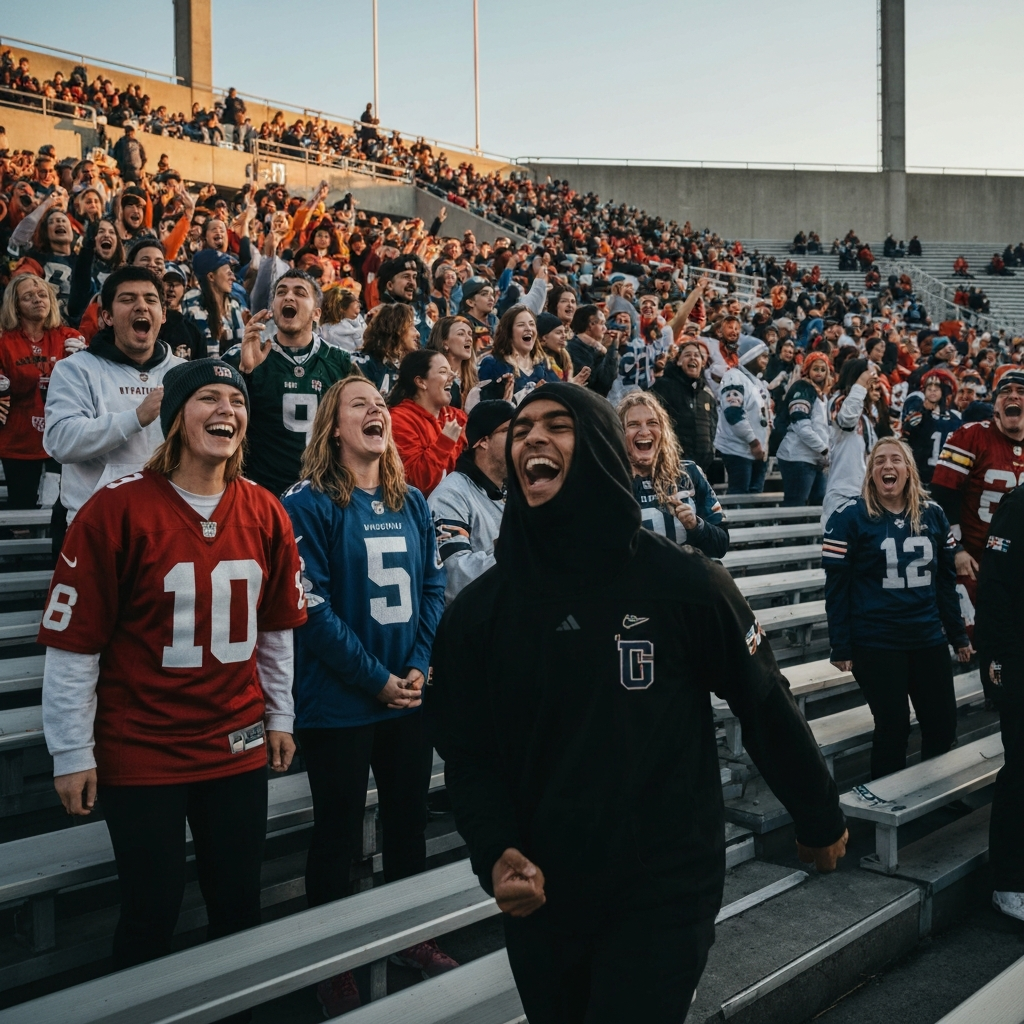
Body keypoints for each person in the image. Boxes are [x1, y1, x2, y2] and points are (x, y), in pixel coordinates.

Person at [430, 383, 847, 1024]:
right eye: (523, 428)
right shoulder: (479, 616)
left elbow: (764, 701)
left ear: (598, 448)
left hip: (664, 883)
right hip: (544, 892)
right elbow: (469, 752)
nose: (532, 436)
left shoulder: (685, 583)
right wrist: (494, 850)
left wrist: (818, 815)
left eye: (558, 425)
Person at [39, 358, 306, 969]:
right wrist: (72, 751)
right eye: (208, 398)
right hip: (144, 745)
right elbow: (75, 643)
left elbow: (274, 632)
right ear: (175, 416)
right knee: (150, 908)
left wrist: (281, 714)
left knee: (239, 902)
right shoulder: (115, 510)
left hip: (234, 739)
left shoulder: (265, 510)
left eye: (236, 401)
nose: (227, 411)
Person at [281, 376, 455, 1017]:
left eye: (380, 404)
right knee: (337, 833)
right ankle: (332, 959)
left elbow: (433, 587)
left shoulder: (411, 500)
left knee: (409, 822)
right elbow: (313, 606)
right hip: (341, 700)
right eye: (360, 403)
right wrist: (374, 678)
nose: (376, 410)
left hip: (407, 695)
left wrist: (415, 666)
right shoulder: (307, 503)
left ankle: (411, 936)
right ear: (332, 424)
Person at [823, 437, 971, 779]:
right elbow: (837, 589)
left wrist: (958, 635)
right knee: (892, 726)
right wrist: (841, 644)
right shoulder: (849, 517)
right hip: (876, 639)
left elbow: (945, 584)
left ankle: (933, 789)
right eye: (879, 461)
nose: (887, 466)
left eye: (896, 460)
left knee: (943, 722)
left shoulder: (933, 514)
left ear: (909, 470)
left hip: (926, 635)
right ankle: (884, 802)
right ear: (870, 472)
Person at [43, 266, 185, 533]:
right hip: (96, 528)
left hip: (166, 527)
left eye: (150, 300)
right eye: (127, 299)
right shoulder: (75, 368)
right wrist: (134, 419)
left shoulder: (182, 372)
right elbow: (60, 441)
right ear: (107, 316)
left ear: (163, 315)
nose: (141, 306)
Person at [223, 268, 352, 497]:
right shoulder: (242, 355)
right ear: (273, 308)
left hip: (324, 493)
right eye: (281, 292)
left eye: (300, 293)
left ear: (316, 313)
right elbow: (215, 414)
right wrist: (244, 372)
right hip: (261, 493)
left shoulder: (340, 362)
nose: (289, 297)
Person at [930, 370, 1024, 631]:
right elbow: (940, 498)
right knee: (972, 642)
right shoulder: (970, 435)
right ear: (994, 404)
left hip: (1015, 563)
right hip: (974, 561)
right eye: (1005, 391)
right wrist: (956, 548)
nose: (1013, 396)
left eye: (1021, 391)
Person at [973, 483, 1024, 922]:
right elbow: (993, 590)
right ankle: (1008, 883)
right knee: (1021, 773)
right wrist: (1000, 661)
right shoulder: (1019, 504)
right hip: (1020, 660)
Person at [0, 272, 85, 509]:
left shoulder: (69, 337)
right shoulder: (4, 342)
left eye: (42, 294)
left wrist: (85, 359)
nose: (38, 300)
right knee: (22, 510)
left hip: (61, 440)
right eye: (28, 297)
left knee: (60, 508)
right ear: (15, 306)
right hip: (19, 443)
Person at [618, 391, 728, 558]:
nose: (644, 431)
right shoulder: (611, 481)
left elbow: (721, 546)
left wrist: (695, 525)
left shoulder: (689, 473)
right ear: (619, 433)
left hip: (687, 580)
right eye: (633, 424)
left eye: (652, 422)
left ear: (663, 431)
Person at [428, 401, 513, 605]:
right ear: (483, 441)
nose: (524, 440)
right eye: (511, 431)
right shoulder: (450, 496)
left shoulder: (518, 490)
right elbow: (454, 575)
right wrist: (523, 554)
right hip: (469, 627)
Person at [387, 349, 467, 497]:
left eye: (451, 371)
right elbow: (417, 484)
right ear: (421, 382)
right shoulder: (399, 420)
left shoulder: (458, 417)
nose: (452, 376)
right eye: (443, 372)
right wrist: (445, 442)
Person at [822, 358, 879, 528]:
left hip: (864, 492)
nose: (872, 381)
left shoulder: (867, 412)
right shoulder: (839, 401)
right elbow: (846, 420)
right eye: (868, 375)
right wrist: (860, 385)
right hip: (843, 491)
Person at [649, 337, 718, 474]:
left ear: (702, 363)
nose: (693, 358)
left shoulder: (707, 394)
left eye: (697, 355)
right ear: (679, 362)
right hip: (672, 467)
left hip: (702, 468)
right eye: (687, 355)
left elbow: (713, 427)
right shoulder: (663, 387)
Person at [715, 336, 771, 494]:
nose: (766, 361)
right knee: (739, 496)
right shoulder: (734, 377)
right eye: (763, 356)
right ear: (751, 356)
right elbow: (733, 414)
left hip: (758, 451)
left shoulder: (757, 381)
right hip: (738, 450)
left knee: (755, 498)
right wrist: (754, 442)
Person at [776, 352, 831, 507]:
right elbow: (801, 425)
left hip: (816, 458)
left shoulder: (823, 395)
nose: (819, 373)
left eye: (823, 369)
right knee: (796, 503)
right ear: (807, 369)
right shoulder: (802, 388)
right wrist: (824, 450)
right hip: (797, 456)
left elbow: (823, 428)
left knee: (819, 502)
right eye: (815, 368)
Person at [477, 306, 561, 404]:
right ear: (508, 332)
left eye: (532, 324)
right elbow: (486, 411)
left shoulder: (543, 364)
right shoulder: (492, 364)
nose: (529, 329)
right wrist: (531, 396)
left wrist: (572, 386)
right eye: (521, 325)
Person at [900, 368, 961, 485]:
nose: (933, 392)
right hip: (919, 475)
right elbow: (906, 441)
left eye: (937, 389)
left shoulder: (956, 418)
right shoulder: (917, 415)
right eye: (930, 388)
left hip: (943, 478)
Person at [182, 248, 246, 357]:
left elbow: (243, 349)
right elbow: (209, 356)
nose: (233, 278)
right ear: (211, 276)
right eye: (228, 273)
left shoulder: (234, 304)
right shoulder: (193, 300)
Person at [351, 302, 420, 395]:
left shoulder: (409, 368)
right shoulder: (364, 363)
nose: (418, 333)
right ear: (396, 328)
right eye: (411, 326)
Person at [566, 305, 619, 398]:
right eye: (602, 323)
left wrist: (610, 349)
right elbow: (599, 384)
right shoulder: (571, 349)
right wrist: (606, 352)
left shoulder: (596, 348)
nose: (605, 329)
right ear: (591, 324)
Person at [319, 287, 365, 353]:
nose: (359, 304)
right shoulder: (331, 332)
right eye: (356, 304)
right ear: (342, 309)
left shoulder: (357, 319)